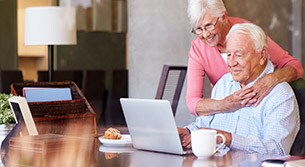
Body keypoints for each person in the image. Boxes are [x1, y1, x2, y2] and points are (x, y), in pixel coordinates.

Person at [179, 23, 300, 155]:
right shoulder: (224, 84)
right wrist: (187, 132)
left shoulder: (280, 94)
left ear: (262, 55)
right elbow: (205, 124)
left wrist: (228, 139)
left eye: (239, 55)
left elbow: (277, 149)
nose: (231, 63)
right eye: (229, 55)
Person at [186, 0, 304, 116]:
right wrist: (226, 104)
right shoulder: (198, 49)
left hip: (258, 110)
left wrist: (271, 79)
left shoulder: (247, 34)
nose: (205, 34)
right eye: (199, 29)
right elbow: (192, 102)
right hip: (227, 114)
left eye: (209, 26)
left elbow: (295, 66)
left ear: (223, 16)